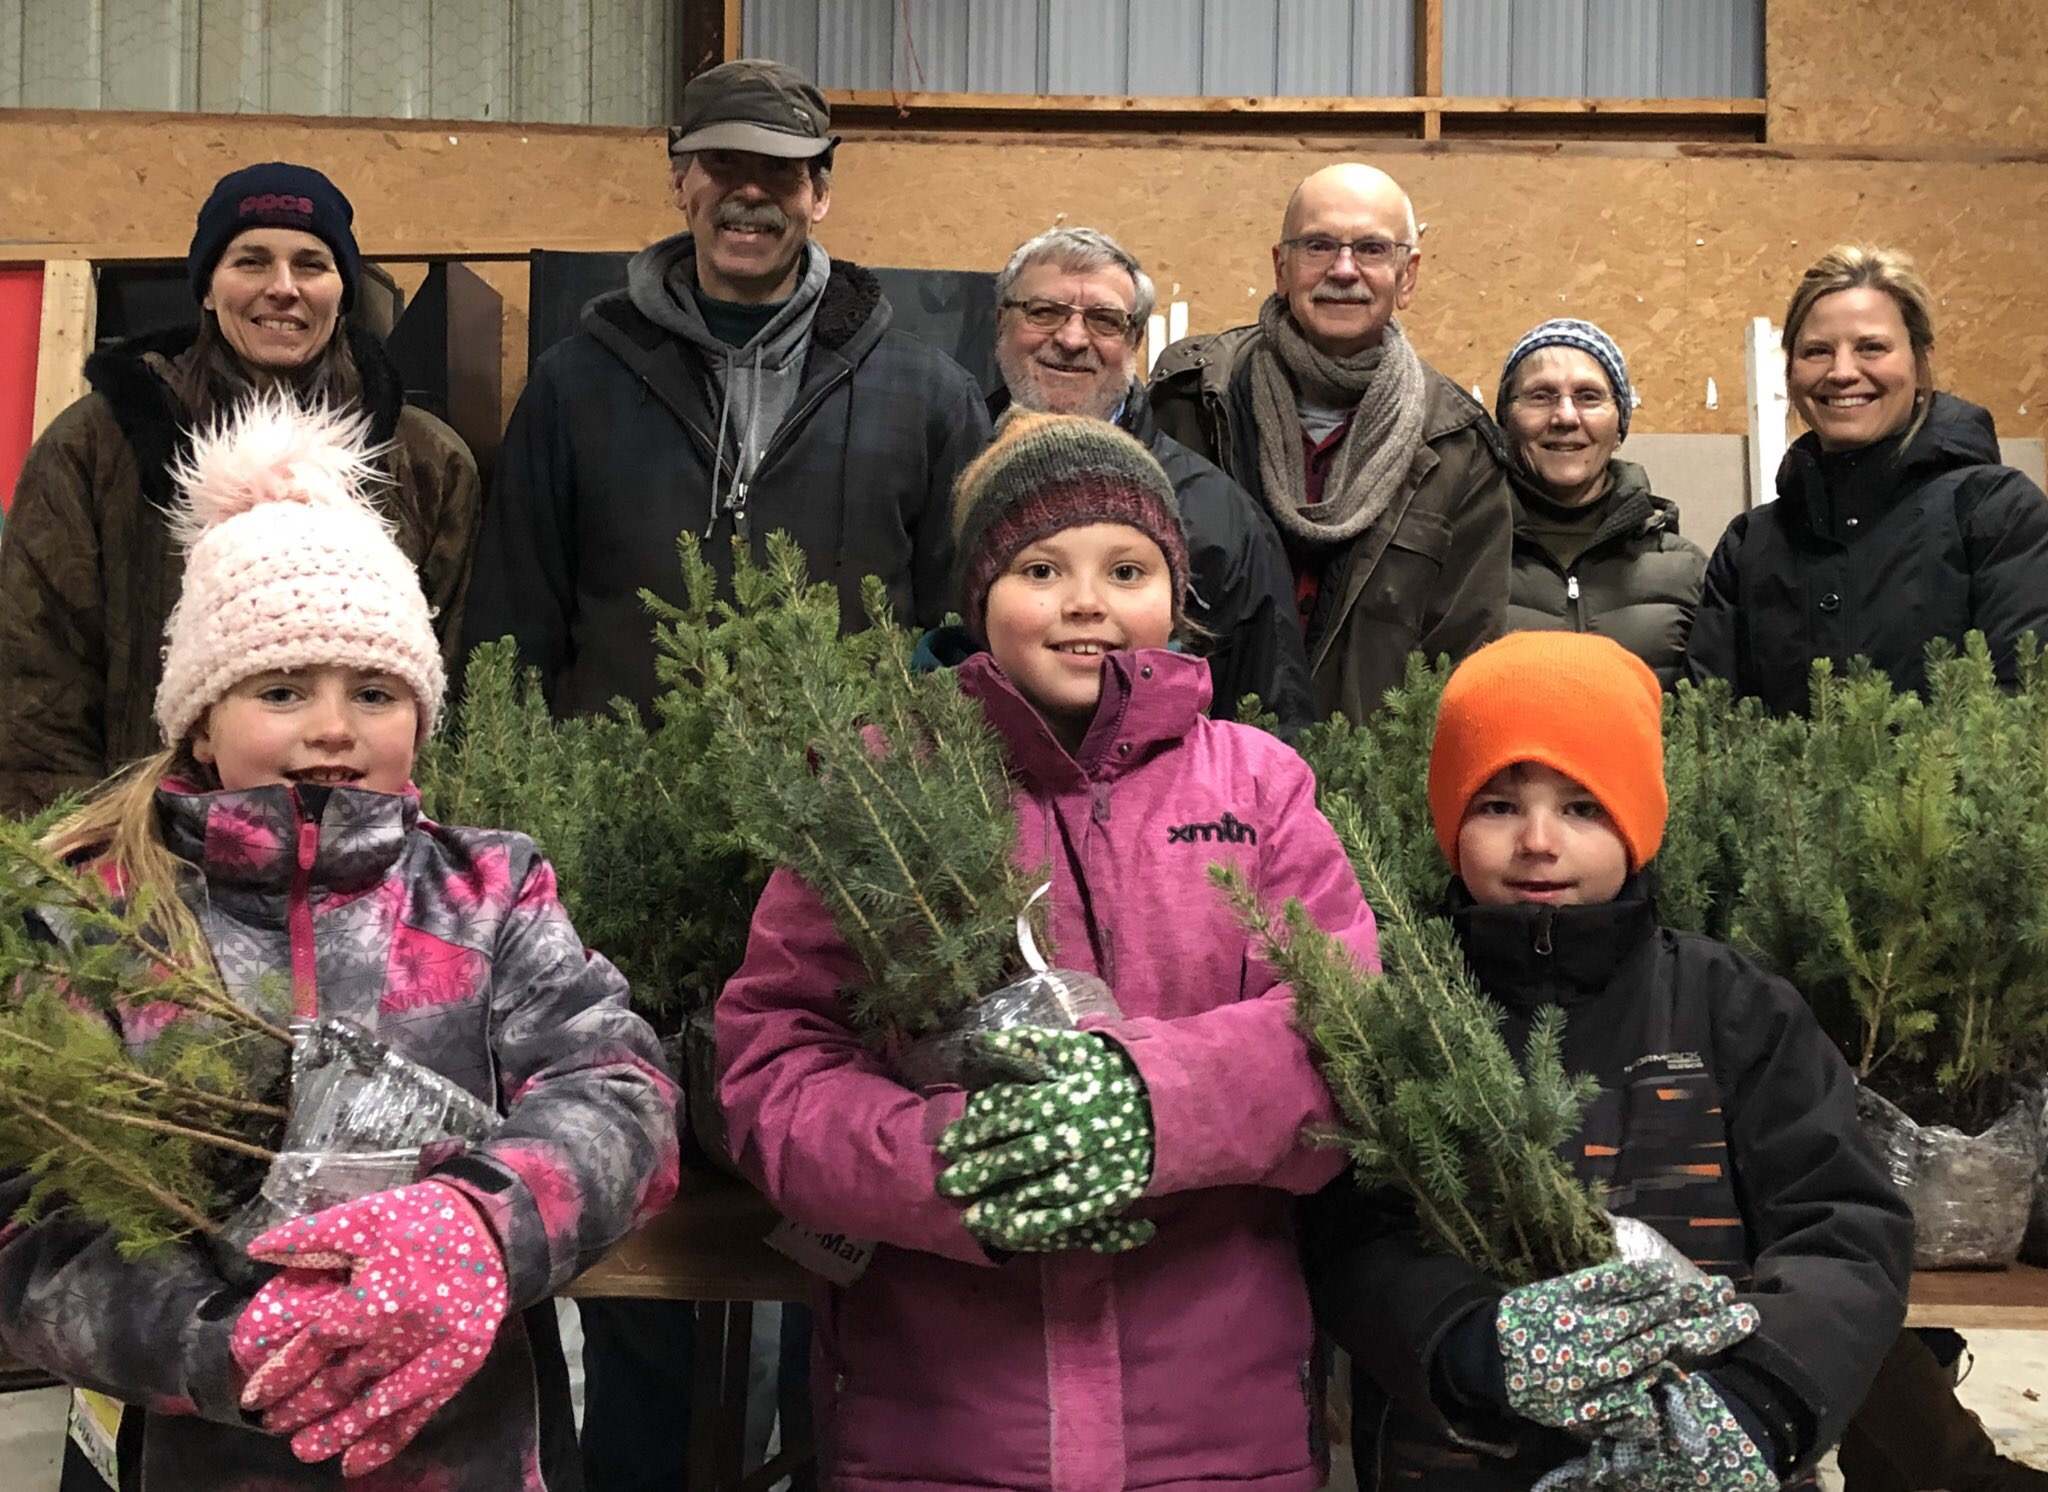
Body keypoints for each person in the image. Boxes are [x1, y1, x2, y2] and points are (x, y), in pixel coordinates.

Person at [0, 396, 680, 1492]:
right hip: (195, 1455)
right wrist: (221, 1342)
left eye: (373, 691)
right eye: (281, 689)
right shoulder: (99, 921)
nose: (332, 726)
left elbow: (618, 1088)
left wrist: (481, 1222)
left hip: (464, 1450)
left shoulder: (487, 894)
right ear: (201, 717)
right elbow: (28, 1214)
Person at [717, 409, 1376, 1490]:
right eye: (1040, 568)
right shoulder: (881, 784)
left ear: (1177, 594)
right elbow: (774, 1060)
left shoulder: (1257, 785)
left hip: (1213, 1420)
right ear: (979, 596)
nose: (1086, 601)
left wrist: (1150, 1102)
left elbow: (1341, 1029)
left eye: (1127, 568)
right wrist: (948, 1163)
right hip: (941, 1424)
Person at [1303, 630, 1914, 1492]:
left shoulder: (1733, 1007)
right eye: (1498, 805)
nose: (1538, 841)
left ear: (1637, 820)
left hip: (1699, 1460)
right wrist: (1471, 1343)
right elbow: (1347, 1232)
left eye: (1583, 806)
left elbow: (1843, 1225)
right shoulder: (1397, 1016)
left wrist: (1756, 1404)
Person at [462, 56, 991, 718]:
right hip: (620, 781)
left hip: (850, 782)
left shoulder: (931, 397)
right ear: (679, 183)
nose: (750, 191)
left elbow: (964, 635)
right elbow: (513, 623)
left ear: (819, 196)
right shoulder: (572, 387)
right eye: (723, 163)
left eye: (780, 169)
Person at [0, 161, 480, 820]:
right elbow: (35, 681)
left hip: (369, 856)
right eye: (251, 261)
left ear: (342, 289)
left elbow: (453, 695)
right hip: (140, 851)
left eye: (311, 264)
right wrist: (87, 855)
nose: (283, 288)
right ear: (206, 286)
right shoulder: (92, 447)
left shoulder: (428, 464)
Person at [1148, 162, 1512, 721]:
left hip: (1369, 772)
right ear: (1281, 267)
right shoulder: (1190, 404)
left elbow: (1461, 671)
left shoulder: (1459, 450)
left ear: (1407, 275)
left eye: (1371, 249)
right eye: (1318, 246)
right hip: (1195, 759)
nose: (1344, 270)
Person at [1686, 244, 2048, 713]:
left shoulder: (1998, 515)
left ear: (1920, 362)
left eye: (1871, 347)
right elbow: (1708, 725)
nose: (1842, 372)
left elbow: (2024, 715)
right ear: (1791, 372)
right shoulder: (1749, 546)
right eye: (1817, 351)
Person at [988, 226, 1315, 732]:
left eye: (1104, 320)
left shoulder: (1216, 516)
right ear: (1001, 322)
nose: (1072, 339)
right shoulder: (945, 472)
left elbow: (1270, 721)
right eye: (1045, 311)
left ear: (1135, 341)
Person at [1495, 319, 1705, 686]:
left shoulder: (1686, 570)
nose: (1565, 416)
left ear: (1620, 425)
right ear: (1505, 420)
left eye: (1589, 397)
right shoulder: (1465, 561)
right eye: (1540, 396)